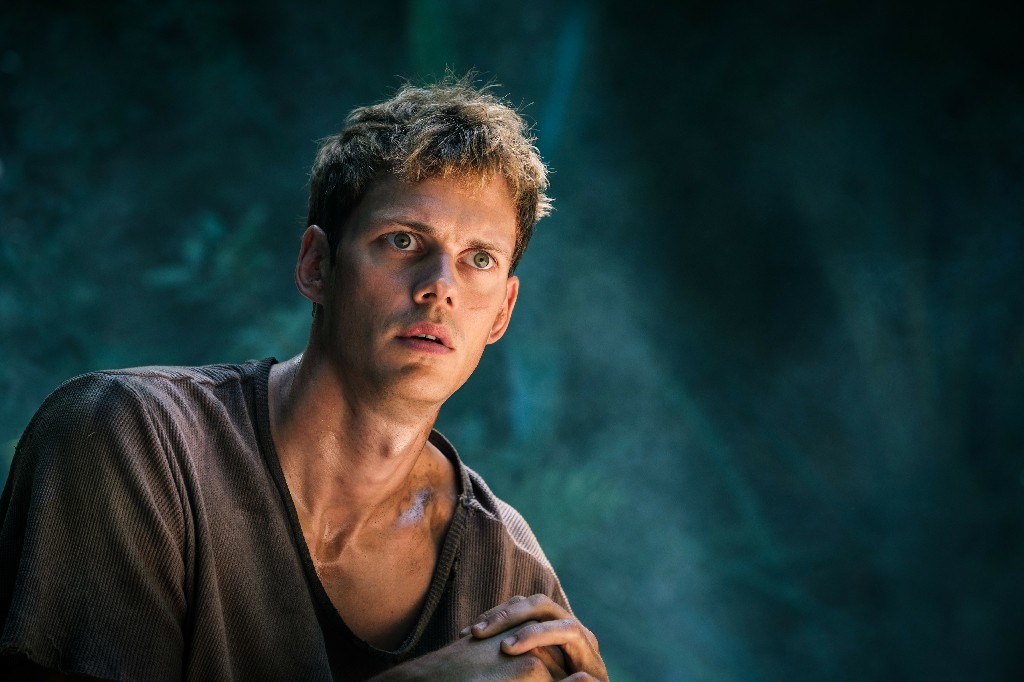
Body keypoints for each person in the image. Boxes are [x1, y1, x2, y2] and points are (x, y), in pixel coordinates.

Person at [0, 77, 607, 681]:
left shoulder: (509, 570)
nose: (439, 287)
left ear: (502, 311)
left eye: (480, 259)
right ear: (316, 265)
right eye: (402, 241)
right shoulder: (131, 441)